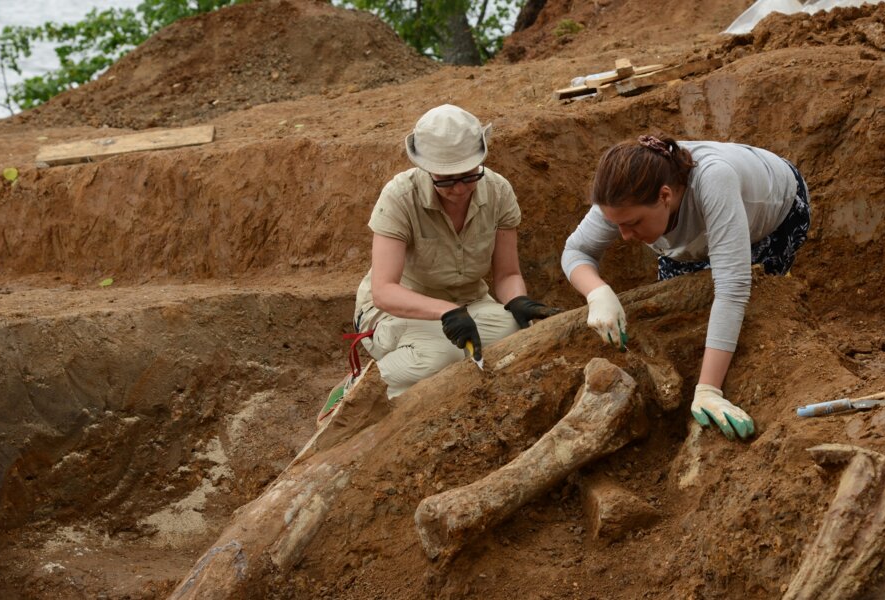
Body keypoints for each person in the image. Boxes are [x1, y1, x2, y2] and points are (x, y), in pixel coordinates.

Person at [562, 135, 811, 441]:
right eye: (617, 226)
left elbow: (732, 288)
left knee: (756, 305)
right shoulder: (622, 196)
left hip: (771, 217)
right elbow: (576, 252)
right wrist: (596, 291)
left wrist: (709, 389)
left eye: (633, 223)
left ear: (665, 195)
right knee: (685, 319)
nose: (624, 236)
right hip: (689, 235)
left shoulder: (714, 180)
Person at [346, 104, 559, 400]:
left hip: (469, 303)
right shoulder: (399, 196)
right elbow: (384, 291)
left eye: (469, 175)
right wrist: (446, 311)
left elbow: (507, 274)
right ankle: (359, 390)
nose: (459, 189)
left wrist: (518, 301)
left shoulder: (498, 191)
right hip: (393, 311)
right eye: (446, 179)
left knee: (515, 333)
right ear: (425, 168)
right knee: (438, 354)